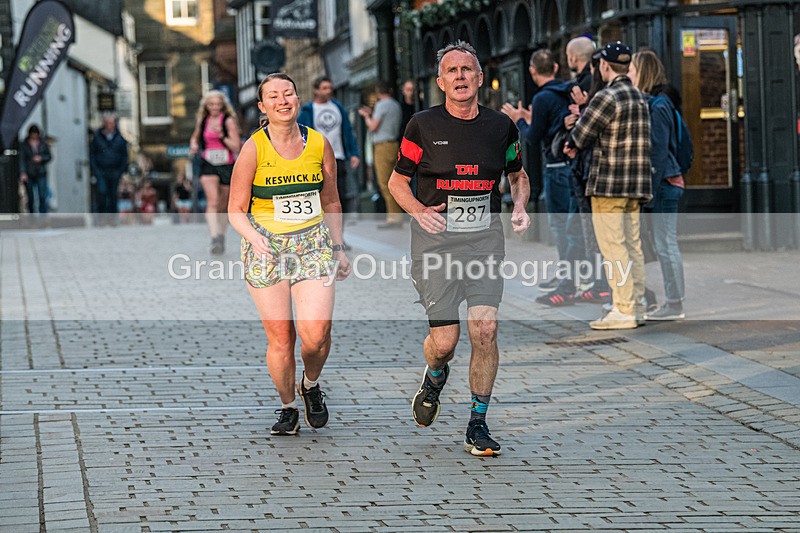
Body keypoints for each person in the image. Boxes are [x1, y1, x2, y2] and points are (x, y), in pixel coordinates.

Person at [388, 41, 531, 456]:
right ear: (440, 82)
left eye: (468, 69)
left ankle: (477, 423)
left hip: (485, 241)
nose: (461, 77)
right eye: (452, 71)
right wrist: (418, 210)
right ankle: (434, 376)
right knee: (446, 342)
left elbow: (518, 175)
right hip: (435, 245)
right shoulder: (422, 125)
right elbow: (398, 181)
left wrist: (520, 206)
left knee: (485, 329)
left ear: (480, 78)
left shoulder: (501, 127)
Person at [228, 73, 352, 436]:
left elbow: (330, 199)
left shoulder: (319, 143)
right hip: (265, 247)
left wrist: (339, 247)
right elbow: (235, 209)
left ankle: (311, 385)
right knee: (282, 338)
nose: (283, 101)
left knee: (316, 335)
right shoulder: (253, 148)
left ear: (299, 99)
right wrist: (253, 236)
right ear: (263, 106)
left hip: (313, 243)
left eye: (289, 94)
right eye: (274, 96)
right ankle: (287, 406)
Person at [564, 42, 652, 330]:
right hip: (636, 185)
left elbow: (580, 135)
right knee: (632, 246)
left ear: (604, 66)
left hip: (608, 184)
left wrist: (572, 138)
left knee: (614, 248)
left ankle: (623, 308)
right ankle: (637, 304)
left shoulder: (607, 96)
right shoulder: (639, 96)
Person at [501, 49, 585, 306]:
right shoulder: (571, 90)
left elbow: (534, 137)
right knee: (574, 226)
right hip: (575, 166)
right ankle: (572, 277)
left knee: (562, 228)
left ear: (533, 71)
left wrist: (519, 120)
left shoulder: (542, 97)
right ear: (557, 67)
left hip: (556, 167)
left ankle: (567, 282)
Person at [629, 50, 686, 320]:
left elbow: (659, 152)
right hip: (664, 181)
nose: (628, 74)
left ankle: (674, 303)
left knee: (666, 244)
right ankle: (671, 301)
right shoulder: (654, 102)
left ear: (643, 72)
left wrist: (649, 191)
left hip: (664, 182)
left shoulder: (659, 105)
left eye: (632, 70)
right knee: (664, 243)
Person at [297, 77, 361, 219]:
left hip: (338, 157)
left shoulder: (338, 108)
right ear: (316, 90)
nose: (328, 91)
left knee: (339, 196)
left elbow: (348, 131)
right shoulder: (308, 111)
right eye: (324, 88)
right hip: (316, 160)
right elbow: (300, 135)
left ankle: (338, 234)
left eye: (330, 88)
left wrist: (353, 153)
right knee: (320, 196)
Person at [189, 90, 241, 255]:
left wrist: (222, 137)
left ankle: (221, 234)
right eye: (211, 104)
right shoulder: (203, 121)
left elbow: (237, 146)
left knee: (223, 205)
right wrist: (194, 145)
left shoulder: (228, 121)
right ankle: (214, 237)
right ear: (206, 105)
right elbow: (195, 138)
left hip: (226, 163)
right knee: (213, 201)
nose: (215, 107)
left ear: (223, 105)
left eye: (218, 104)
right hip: (208, 163)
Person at [358, 81, 405, 228]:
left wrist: (366, 116)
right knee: (397, 181)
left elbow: (373, 127)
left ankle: (394, 218)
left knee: (385, 183)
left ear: (378, 93)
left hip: (382, 146)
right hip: (394, 144)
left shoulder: (381, 105)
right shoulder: (395, 104)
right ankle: (398, 215)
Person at [90, 113, 129, 225]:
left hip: (115, 171)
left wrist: (120, 171)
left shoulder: (120, 138)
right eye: (107, 123)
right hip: (101, 171)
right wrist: (96, 170)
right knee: (102, 193)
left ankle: (113, 219)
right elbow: (92, 154)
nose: (109, 125)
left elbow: (124, 156)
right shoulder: (97, 138)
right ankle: (102, 218)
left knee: (113, 195)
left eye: (111, 123)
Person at [19, 124, 52, 215]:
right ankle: (32, 216)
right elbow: (22, 159)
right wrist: (23, 172)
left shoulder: (43, 144)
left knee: (42, 195)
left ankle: (43, 216)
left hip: (40, 172)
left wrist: (41, 158)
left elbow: (49, 156)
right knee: (30, 197)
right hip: (29, 172)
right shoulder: (24, 144)